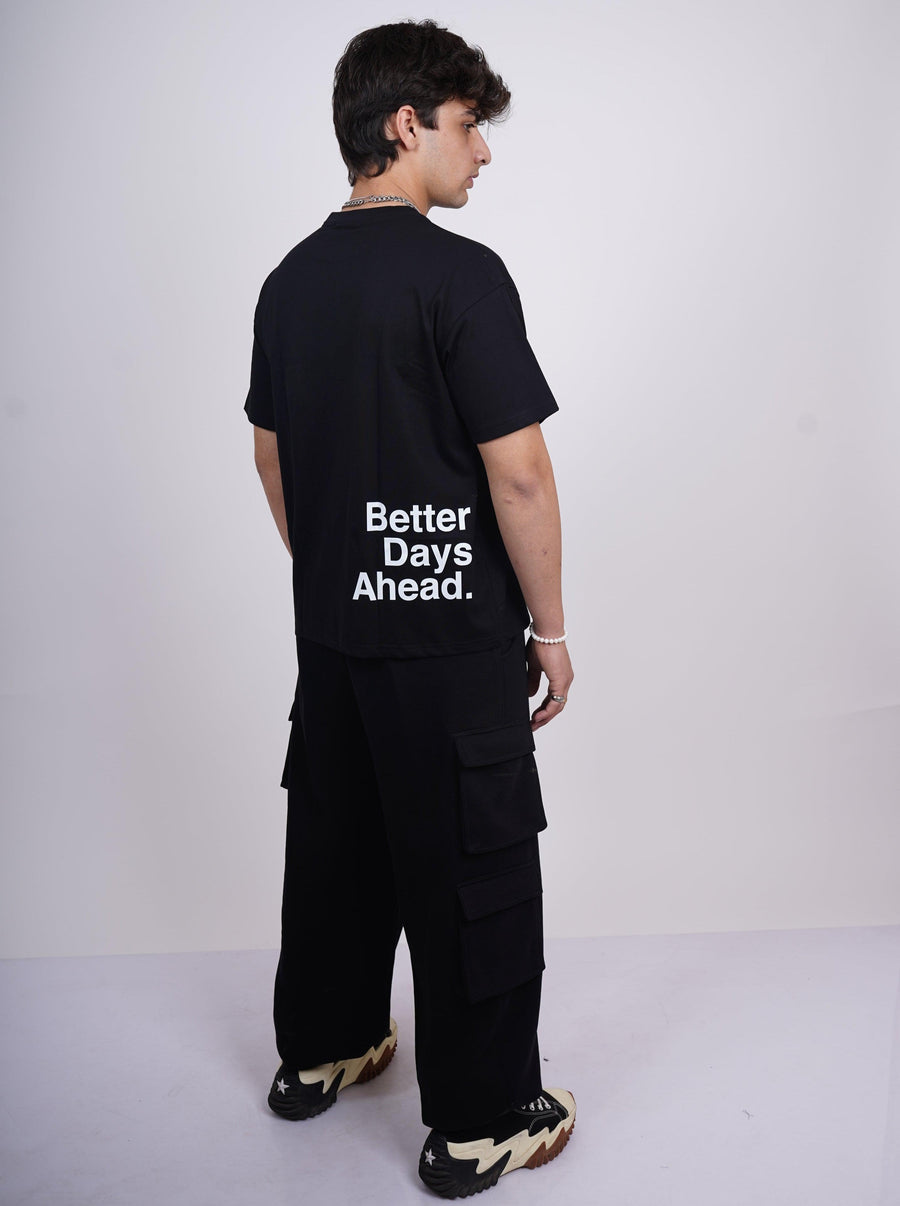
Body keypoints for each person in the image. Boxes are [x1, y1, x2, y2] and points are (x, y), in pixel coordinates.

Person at [243, 17, 575, 1199]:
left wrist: (343, 563)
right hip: (450, 644)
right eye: (469, 125)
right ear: (405, 124)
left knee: (338, 846)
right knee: (477, 866)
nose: (482, 151)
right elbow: (519, 472)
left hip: (335, 637)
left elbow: (272, 452)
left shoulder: (289, 282)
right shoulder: (460, 276)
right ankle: (485, 1120)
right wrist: (548, 630)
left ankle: (322, 1052)